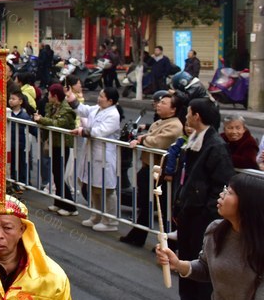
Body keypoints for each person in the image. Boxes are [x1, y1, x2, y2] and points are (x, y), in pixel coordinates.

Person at [170, 98, 234, 300]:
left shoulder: (215, 146)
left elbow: (221, 184)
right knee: (187, 255)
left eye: (188, 112)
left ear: (196, 115)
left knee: (202, 261)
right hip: (188, 212)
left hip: (202, 217)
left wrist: (209, 214)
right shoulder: (194, 140)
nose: (186, 116)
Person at [122, 93, 187, 247]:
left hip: (160, 172)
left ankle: (168, 244)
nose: (158, 105)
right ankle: (138, 236)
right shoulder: (160, 122)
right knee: (145, 205)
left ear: (173, 109)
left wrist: (142, 139)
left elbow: (156, 142)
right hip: (148, 169)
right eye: (159, 102)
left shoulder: (175, 125)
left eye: (163, 103)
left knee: (163, 208)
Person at [68, 87, 123, 231]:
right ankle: (96, 216)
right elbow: (83, 110)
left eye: (102, 96)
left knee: (107, 190)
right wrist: (72, 99)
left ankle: (110, 221)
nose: (99, 98)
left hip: (104, 156)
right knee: (93, 188)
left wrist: (82, 131)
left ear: (110, 101)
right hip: (92, 154)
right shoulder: (97, 109)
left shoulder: (113, 114)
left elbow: (100, 131)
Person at [34, 84, 78, 215]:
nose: (47, 96)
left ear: (55, 96)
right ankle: (58, 202)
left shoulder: (66, 110)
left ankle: (70, 206)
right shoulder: (53, 107)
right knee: (56, 174)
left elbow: (57, 123)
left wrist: (41, 119)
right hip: (54, 143)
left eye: (49, 94)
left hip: (63, 145)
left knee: (60, 175)